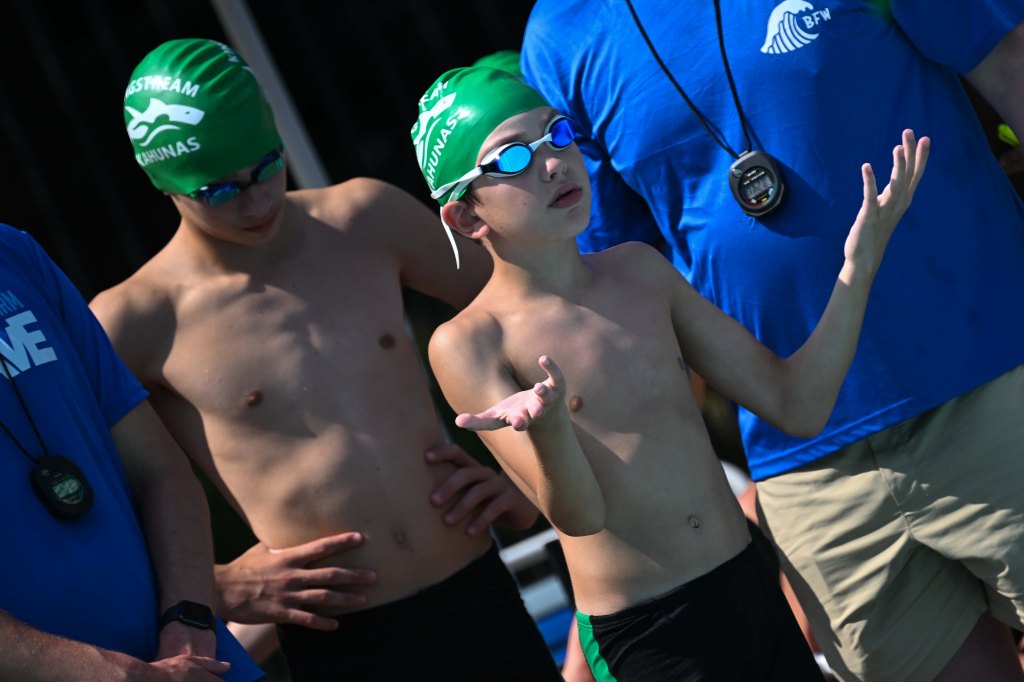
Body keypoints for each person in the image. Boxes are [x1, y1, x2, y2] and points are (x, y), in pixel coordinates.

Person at [520, 2, 1024, 680]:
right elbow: (615, 290)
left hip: (993, 378)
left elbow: (1010, 64)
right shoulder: (560, 33)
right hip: (808, 473)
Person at [411, 64, 926, 681]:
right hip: (650, 637)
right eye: (514, 157)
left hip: (751, 586)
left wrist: (857, 270)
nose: (552, 162)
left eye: (557, 134)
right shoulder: (469, 343)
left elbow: (797, 404)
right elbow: (579, 517)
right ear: (466, 218)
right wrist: (549, 432)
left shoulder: (640, 272)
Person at [91, 39, 560, 681]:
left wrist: (528, 479)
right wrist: (217, 584)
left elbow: (542, 312)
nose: (256, 202)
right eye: (220, 190)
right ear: (162, 181)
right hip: (343, 646)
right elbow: (75, 505)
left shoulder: (365, 220)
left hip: (479, 593)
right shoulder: (135, 321)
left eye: (267, 166)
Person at [0, 223, 263, 681]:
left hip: (194, 663)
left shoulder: (14, 253)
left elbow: (158, 467)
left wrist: (190, 623)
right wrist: (118, 674)